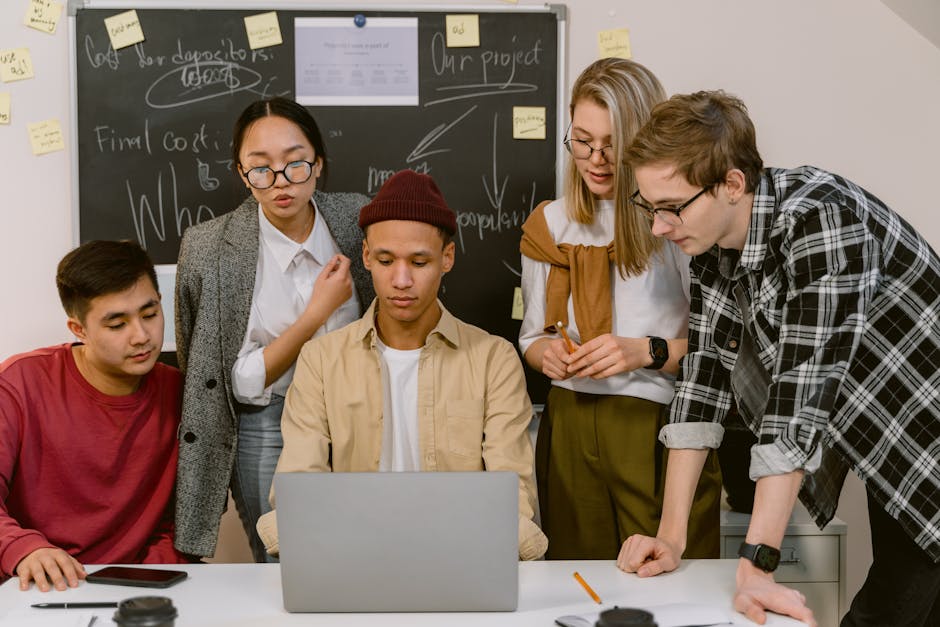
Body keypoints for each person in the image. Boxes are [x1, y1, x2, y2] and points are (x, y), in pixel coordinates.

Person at [616, 90, 940, 627]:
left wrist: (757, 565)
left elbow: (798, 402)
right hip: (896, 439)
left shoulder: (822, 222)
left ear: (732, 184)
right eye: (649, 208)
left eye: (671, 208)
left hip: (927, 443)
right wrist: (670, 538)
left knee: (883, 613)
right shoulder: (713, 248)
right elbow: (701, 386)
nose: (659, 228)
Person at [255, 169, 547, 560]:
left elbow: (512, 494)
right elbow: (298, 485)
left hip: (459, 557)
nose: (402, 279)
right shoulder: (321, 360)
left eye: (419, 261)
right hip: (352, 556)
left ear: (447, 258)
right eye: (386, 260)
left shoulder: (493, 360)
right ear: (366, 257)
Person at [518, 58, 721, 559]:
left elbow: (724, 349)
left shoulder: (676, 218)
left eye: (613, 144)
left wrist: (642, 351)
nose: (596, 158)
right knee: (575, 585)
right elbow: (530, 337)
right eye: (583, 140)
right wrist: (548, 356)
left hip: (655, 425)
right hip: (566, 421)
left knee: (668, 579)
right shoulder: (549, 223)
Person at [173, 97, 374, 561]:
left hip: (360, 413)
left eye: (295, 163)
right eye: (260, 168)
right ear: (241, 173)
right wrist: (314, 316)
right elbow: (224, 379)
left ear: (318, 163)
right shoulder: (208, 247)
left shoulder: (357, 219)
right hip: (268, 423)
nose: (280, 181)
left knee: (364, 554)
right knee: (284, 560)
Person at [0, 240, 188, 591]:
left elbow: (185, 517)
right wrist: (24, 549)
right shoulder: (17, 384)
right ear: (79, 330)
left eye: (150, 314)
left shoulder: (181, 394)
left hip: (141, 589)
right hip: (35, 586)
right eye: (117, 325)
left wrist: (152, 573)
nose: (142, 336)